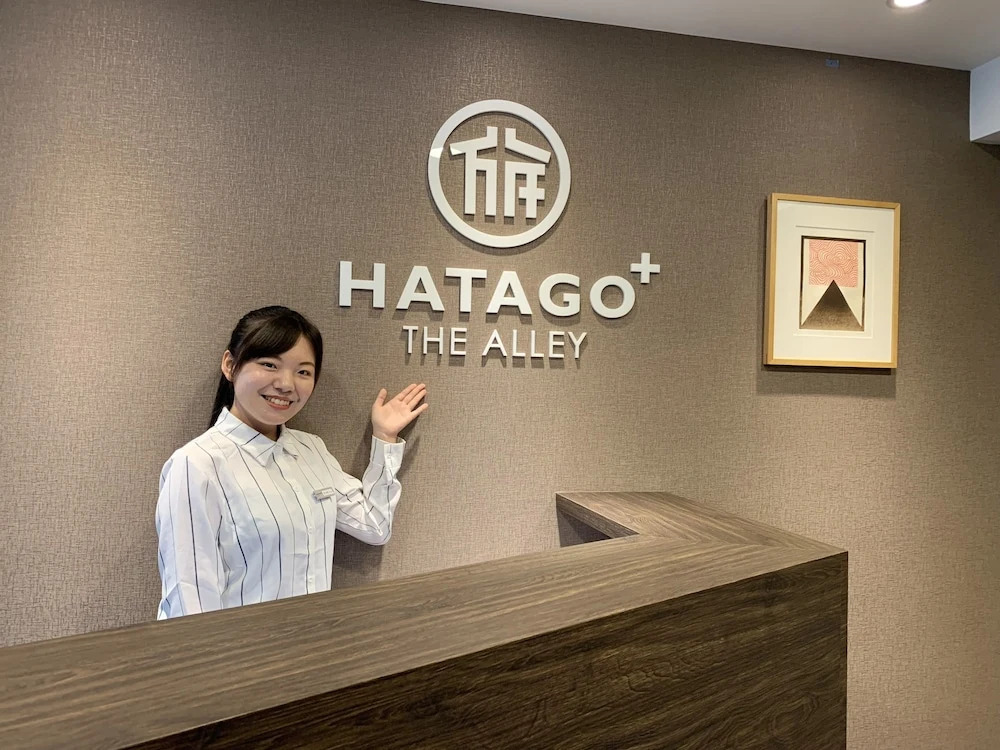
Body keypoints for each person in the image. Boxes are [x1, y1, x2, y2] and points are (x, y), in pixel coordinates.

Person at [155, 306, 427, 619]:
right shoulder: (196, 465)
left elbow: (375, 525)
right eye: (269, 364)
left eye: (303, 372)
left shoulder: (311, 450)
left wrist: (385, 438)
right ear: (230, 365)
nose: (286, 384)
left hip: (315, 642)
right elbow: (188, 605)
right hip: (244, 648)